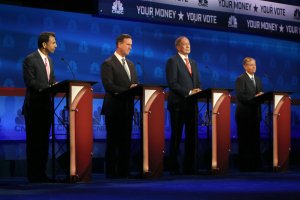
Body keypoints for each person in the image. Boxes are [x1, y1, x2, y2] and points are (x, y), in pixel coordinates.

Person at [101, 34, 138, 178]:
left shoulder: (131, 64)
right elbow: (109, 86)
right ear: (119, 44)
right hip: (114, 108)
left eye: (131, 44)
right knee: (113, 141)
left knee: (125, 141)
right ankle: (111, 172)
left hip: (127, 108)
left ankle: (124, 171)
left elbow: (134, 82)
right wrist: (129, 89)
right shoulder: (108, 63)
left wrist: (134, 88)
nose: (130, 47)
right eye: (128, 44)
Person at [22, 32, 57, 182]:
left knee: (44, 142)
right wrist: (49, 87)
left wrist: (55, 85)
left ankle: (42, 174)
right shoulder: (30, 59)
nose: (56, 45)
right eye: (53, 42)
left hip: (46, 107)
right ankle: (33, 175)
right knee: (34, 143)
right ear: (44, 44)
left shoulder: (50, 60)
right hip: (34, 107)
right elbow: (31, 82)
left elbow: (52, 80)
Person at [166, 36, 201, 175]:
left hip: (192, 105)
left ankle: (190, 167)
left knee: (192, 137)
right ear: (178, 47)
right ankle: (173, 168)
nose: (187, 46)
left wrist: (198, 90)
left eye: (189, 44)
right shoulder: (172, 61)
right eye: (184, 44)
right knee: (176, 136)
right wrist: (189, 91)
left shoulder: (193, 62)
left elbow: (197, 82)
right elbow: (173, 83)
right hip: (178, 105)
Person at [235, 57, 264, 172]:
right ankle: (245, 166)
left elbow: (260, 95)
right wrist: (255, 98)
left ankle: (255, 165)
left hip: (255, 115)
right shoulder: (241, 79)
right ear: (245, 66)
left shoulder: (258, 79)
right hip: (244, 115)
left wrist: (260, 97)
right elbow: (241, 96)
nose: (254, 67)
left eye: (255, 65)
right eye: (251, 65)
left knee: (255, 140)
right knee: (244, 141)